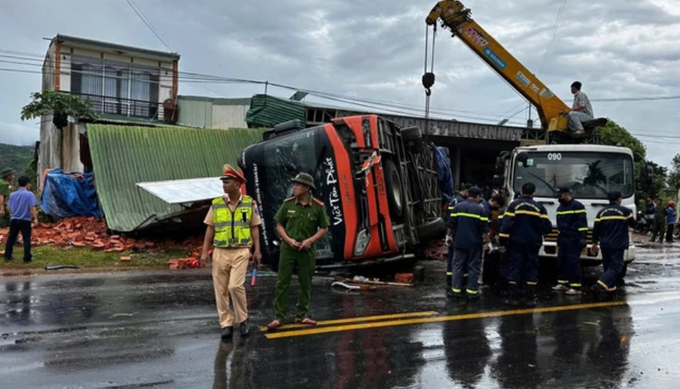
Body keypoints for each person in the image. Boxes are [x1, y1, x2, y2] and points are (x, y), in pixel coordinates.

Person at [200, 164, 262, 339]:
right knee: (220, 289)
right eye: (223, 182)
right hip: (220, 251)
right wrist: (205, 251)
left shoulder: (250, 204)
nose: (224, 185)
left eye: (227, 182)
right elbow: (210, 229)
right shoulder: (217, 204)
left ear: (237, 184)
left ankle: (242, 320)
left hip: (241, 251)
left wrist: (257, 250)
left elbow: (255, 228)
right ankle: (226, 323)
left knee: (235, 286)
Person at [267, 172, 329, 330]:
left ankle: (302, 315)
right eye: (295, 184)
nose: (295, 187)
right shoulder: (288, 204)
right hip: (288, 249)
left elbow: (324, 228)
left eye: (299, 184)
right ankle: (279, 317)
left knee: (305, 283)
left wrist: (310, 240)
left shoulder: (317, 207)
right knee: (282, 282)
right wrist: (288, 240)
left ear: (307, 188)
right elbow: (279, 225)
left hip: (306, 250)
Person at [499, 183, 553, 307]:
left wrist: (503, 241)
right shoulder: (539, 207)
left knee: (515, 267)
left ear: (522, 191)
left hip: (515, 242)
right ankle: (530, 299)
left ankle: (513, 298)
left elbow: (506, 225)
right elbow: (547, 226)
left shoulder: (514, 205)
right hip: (533, 242)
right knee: (532, 268)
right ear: (533, 193)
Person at [447, 187, 490, 301]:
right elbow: (484, 229)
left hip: (459, 243)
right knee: (473, 268)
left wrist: (448, 236)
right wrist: (488, 243)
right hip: (475, 245)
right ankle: (472, 292)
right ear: (478, 197)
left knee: (457, 266)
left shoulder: (458, 207)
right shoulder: (481, 210)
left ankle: (455, 291)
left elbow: (451, 224)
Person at [590, 192, 636, 296]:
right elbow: (633, 224)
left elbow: (596, 229)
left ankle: (610, 287)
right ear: (619, 199)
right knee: (617, 266)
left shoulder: (601, 212)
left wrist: (594, 242)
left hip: (605, 243)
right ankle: (599, 285)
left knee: (608, 265)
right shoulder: (625, 211)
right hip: (617, 243)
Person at [552, 187, 588, 295]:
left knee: (573, 262)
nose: (559, 198)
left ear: (567, 194)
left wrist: (583, 237)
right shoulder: (560, 208)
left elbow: (582, 223)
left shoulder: (577, 206)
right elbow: (560, 224)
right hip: (563, 238)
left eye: (561, 195)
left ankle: (576, 286)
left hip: (574, 238)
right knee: (561, 260)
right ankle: (563, 283)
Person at [3, 176, 39, 262]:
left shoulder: (12, 195)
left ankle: (7, 256)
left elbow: (10, 207)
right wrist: (35, 218)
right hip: (25, 219)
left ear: (19, 184)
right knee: (26, 239)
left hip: (14, 219)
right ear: (27, 184)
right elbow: (32, 207)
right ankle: (27, 257)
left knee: (11, 238)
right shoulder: (29, 194)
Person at [445, 183, 472, 294]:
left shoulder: (454, 200)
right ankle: (459, 281)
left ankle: (451, 280)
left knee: (453, 259)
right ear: (465, 191)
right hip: (458, 234)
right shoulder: (460, 202)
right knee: (459, 260)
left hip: (453, 233)